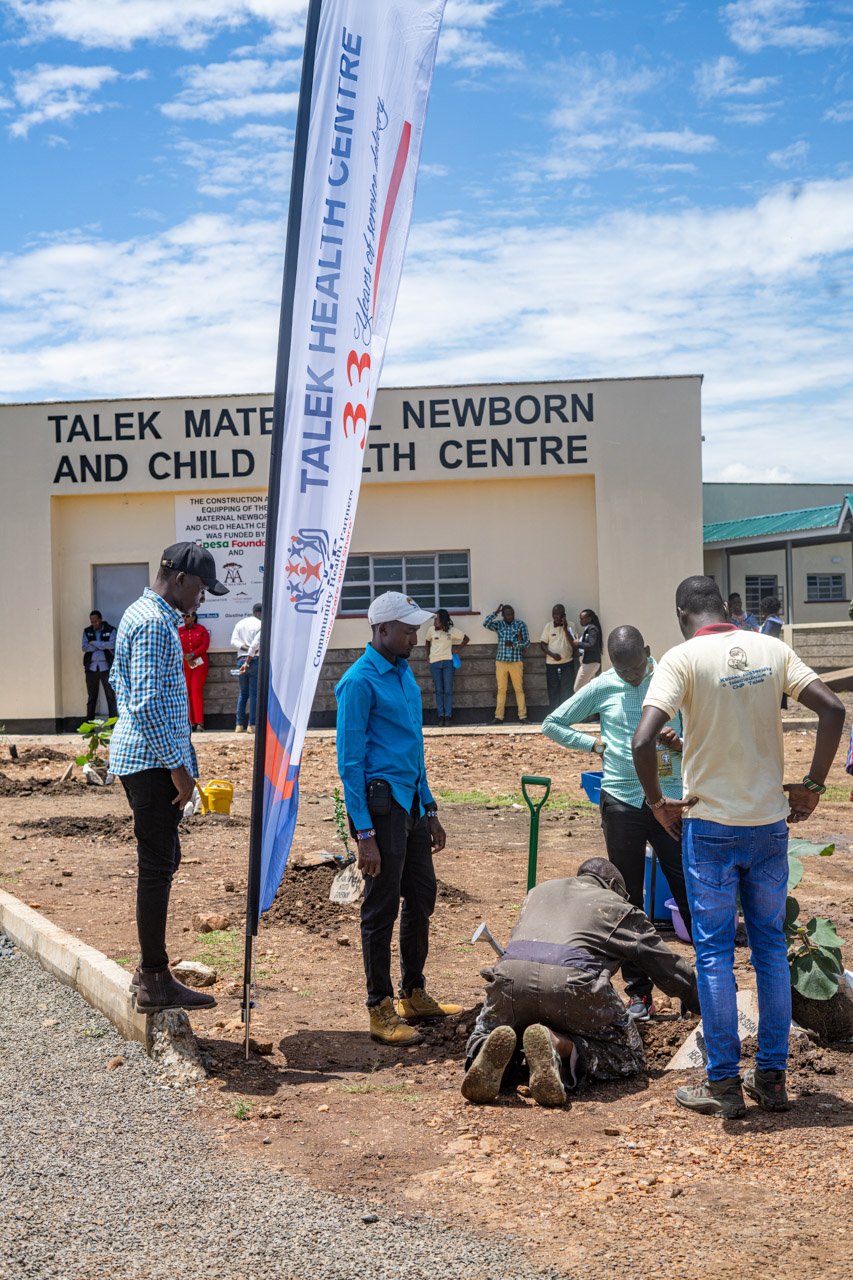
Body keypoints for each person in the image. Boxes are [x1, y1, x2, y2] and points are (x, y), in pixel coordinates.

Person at [632, 575, 844, 1118]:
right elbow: (833, 710)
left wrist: (657, 801)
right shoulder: (772, 649)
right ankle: (771, 1080)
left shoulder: (680, 661)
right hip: (769, 823)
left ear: (682, 614)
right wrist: (813, 785)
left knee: (714, 955)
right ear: (727, 608)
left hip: (710, 827)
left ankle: (724, 1084)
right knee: (771, 950)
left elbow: (641, 739)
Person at [542, 625, 692, 1020]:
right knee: (628, 901)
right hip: (623, 802)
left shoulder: (672, 677)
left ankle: (705, 987)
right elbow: (553, 723)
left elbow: (703, 729)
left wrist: (682, 743)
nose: (631, 676)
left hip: (670, 798)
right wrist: (593, 744)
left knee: (688, 888)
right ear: (613, 665)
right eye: (624, 671)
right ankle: (639, 993)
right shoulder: (604, 685)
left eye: (636, 668)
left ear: (648, 650)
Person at [461, 859, 699, 1106]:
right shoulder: (617, 906)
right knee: (629, 1055)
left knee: (488, 1029)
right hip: (572, 985)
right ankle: (558, 1044)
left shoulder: (538, 893)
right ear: (614, 886)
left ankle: (487, 1049)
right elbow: (665, 965)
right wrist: (703, 1002)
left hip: (509, 980)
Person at [335, 591, 462, 1046]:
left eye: (417, 629)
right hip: (381, 810)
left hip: (410, 806)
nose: (416, 636)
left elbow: (415, 749)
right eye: (408, 630)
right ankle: (379, 1006)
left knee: (421, 896)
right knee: (380, 907)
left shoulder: (406, 675)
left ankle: (413, 991)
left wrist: (430, 808)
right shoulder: (359, 682)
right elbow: (349, 763)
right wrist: (363, 834)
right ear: (381, 630)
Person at [109, 542, 229, 1013]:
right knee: (157, 870)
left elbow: (124, 687)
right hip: (152, 765)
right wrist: (178, 768)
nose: (202, 598)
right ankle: (155, 979)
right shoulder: (156, 623)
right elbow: (143, 702)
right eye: (200, 588)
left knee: (161, 863)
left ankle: (151, 972)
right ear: (180, 578)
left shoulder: (138, 615)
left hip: (143, 759)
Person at [483, 603, 530, 723]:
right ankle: (499, 717)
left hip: (516, 661)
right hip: (501, 661)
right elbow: (486, 623)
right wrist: (495, 612)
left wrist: (514, 644)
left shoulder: (520, 624)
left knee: (519, 689)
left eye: (512, 614)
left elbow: (527, 643)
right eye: (508, 614)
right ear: (503, 615)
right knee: (501, 689)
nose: (511, 616)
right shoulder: (499, 625)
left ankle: (523, 716)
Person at [424, 609, 468, 726]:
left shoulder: (451, 631)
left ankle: (448, 716)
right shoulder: (431, 630)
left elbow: (466, 638)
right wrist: (427, 655)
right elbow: (427, 641)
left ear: (443, 620)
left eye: (437, 619)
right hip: (435, 663)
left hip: (448, 663)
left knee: (448, 690)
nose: (435, 621)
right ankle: (440, 716)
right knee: (439, 690)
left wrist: (458, 649)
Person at [230, 603, 262, 733]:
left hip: (240, 659)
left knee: (243, 693)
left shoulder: (240, 623)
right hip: (254, 659)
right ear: (261, 612)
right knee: (254, 693)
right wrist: (250, 650)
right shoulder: (260, 624)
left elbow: (233, 642)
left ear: (253, 611)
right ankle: (252, 725)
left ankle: (239, 725)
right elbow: (256, 645)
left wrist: (244, 648)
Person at [82, 610, 118, 720]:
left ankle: (113, 725)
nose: (94, 624)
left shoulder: (110, 630)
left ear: (101, 619)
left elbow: (112, 645)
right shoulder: (87, 631)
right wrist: (103, 645)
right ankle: (89, 726)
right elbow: (84, 647)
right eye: (92, 622)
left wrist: (94, 643)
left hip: (106, 668)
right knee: (92, 697)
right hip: (91, 669)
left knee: (110, 696)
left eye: (96, 621)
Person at [539, 603, 575, 711]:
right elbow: (542, 644)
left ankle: (566, 712)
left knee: (567, 689)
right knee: (553, 689)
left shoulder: (571, 625)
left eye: (558, 614)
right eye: (554, 614)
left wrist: (565, 629)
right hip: (551, 664)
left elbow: (574, 643)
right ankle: (554, 712)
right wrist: (552, 655)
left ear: (564, 615)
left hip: (567, 662)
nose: (555, 617)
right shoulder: (548, 626)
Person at [178, 611, 210, 731]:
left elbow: (205, 645)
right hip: (185, 665)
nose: (185, 618)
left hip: (199, 664)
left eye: (187, 616)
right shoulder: (179, 631)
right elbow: (176, 646)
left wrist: (193, 654)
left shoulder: (201, 629)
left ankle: (199, 722)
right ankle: (190, 722)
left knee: (196, 691)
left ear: (194, 618)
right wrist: (184, 657)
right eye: (183, 616)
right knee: (187, 692)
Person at [571, 608, 602, 691]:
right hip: (588, 662)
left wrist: (578, 643)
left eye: (582, 619)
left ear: (589, 619)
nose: (580, 621)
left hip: (590, 663)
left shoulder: (592, 629)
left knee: (577, 688)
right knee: (589, 688)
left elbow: (592, 644)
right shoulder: (588, 629)